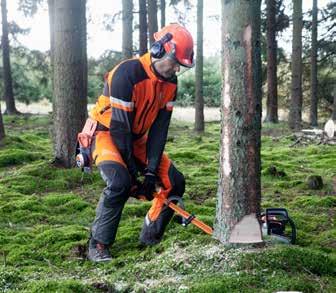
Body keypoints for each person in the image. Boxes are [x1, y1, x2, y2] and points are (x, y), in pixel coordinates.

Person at [87, 23, 194, 262]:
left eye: (181, 66)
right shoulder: (128, 73)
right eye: (175, 61)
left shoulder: (170, 84)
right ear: (158, 50)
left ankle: (150, 237)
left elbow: (159, 130)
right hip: (105, 133)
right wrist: (135, 172)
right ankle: (98, 244)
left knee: (174, 182)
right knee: (120, 182)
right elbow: (120, 127)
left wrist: (150, 171)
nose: (177, 68)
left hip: (136, 138)